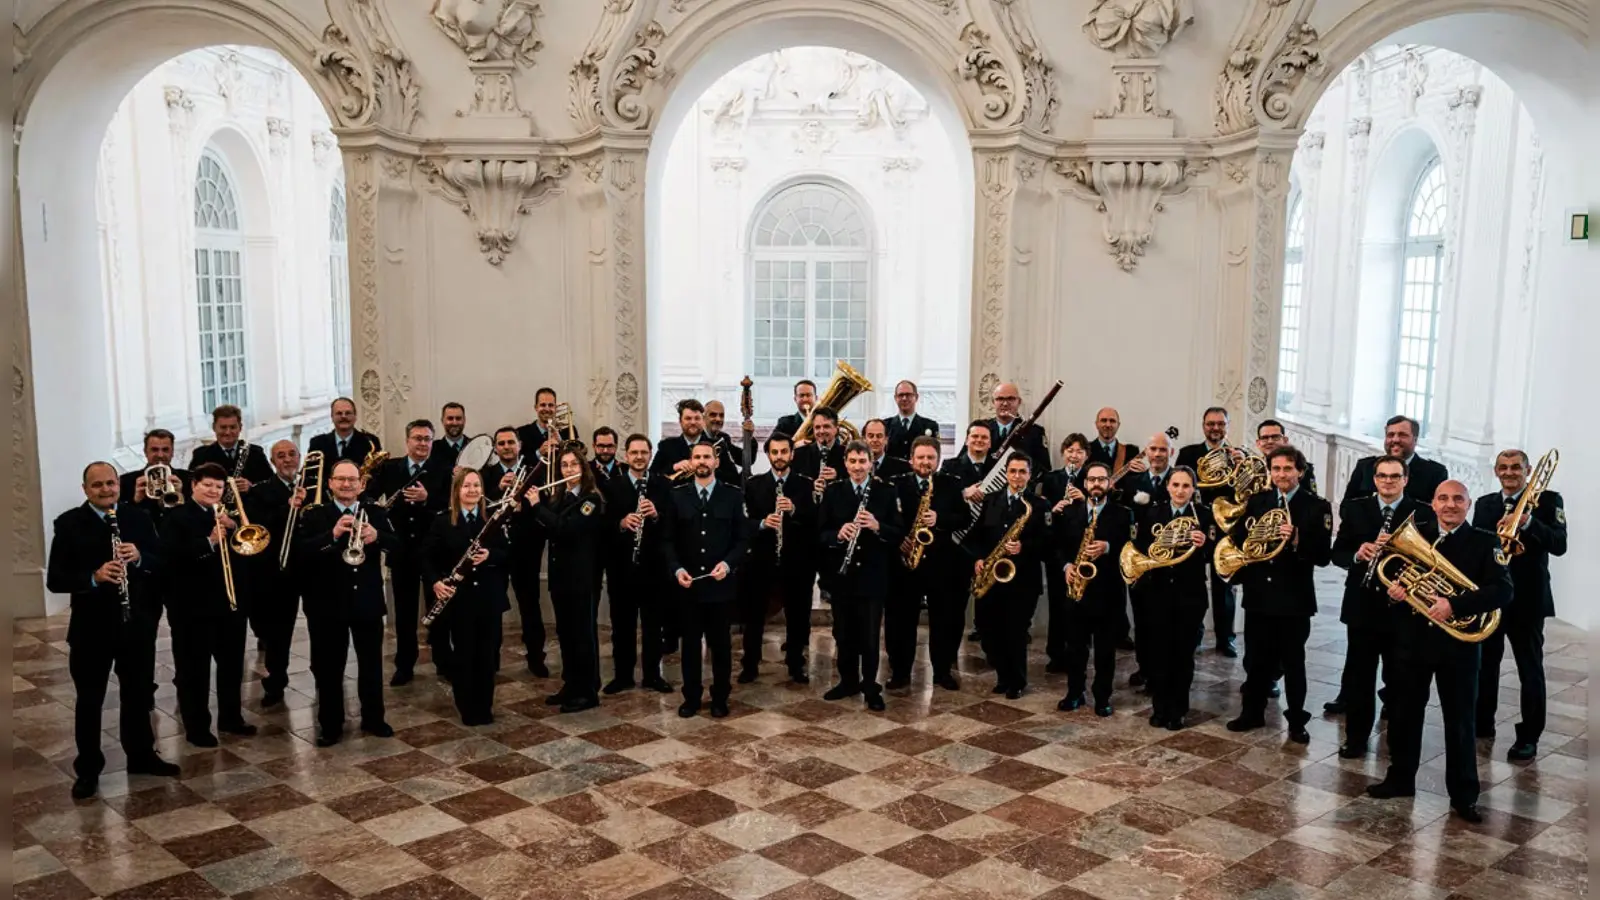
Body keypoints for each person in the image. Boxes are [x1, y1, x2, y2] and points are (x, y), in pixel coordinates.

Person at [1368, 481, 1512, 824]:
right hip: (1412, 643)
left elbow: (1503, 591)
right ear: (1433, 504)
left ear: (1468, 504)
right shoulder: (1417, 535)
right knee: (1403, 715)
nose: (1450, 505)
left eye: (1457, 499)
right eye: (1443, 499)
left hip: (1458, 648)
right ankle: (1400, 779)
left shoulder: (1485, 541)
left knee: (1460, 722)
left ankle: (1464, 795)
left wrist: (1455, 605)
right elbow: (1387, 577)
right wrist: (1396, 593)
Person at [47, 462, 178, 798]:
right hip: (91, 629)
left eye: (110, 483)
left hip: (135, 623)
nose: (105, 490)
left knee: (138, 694)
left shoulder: (137, 517)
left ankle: (141, 755)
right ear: (85, 489)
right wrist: (94, 577)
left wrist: (140, 557)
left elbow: (161, 562)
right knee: (90, 700)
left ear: (119, 485)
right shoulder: (69, 523)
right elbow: (56, 579)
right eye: (97, 485)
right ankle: (88, 769)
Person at [1327, 454, 1433, 757]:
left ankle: (1398, 744)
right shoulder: (1355, 508)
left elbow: (1431, 560)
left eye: (1395, 476)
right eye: (1382, 476)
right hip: (1362, 605)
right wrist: (1358, 554)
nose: (1388, 481)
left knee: (1400, 680)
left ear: (1405, 480)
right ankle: (1356, 739)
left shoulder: (1422, 512)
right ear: (1374, 480)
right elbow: (1338, 553)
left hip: (1403, 608)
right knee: (1359, 677)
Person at [1225, 446, 1332, 744]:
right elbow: (1239, 539)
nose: (1281, 474)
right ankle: (1252, 713)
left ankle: (1296, 721)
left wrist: (1297, 538)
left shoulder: (1316, 506)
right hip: (1259, 594)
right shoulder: (1258, 500)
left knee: (1294, 663)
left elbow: (1324, 556)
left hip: (1294, 600)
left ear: (1300, 471)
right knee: (1256, 660)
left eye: (1287, 469)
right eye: (1276, 469)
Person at [1473, 449, 1566, 761]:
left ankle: (1529, 736)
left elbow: (1559, 544)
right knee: (1486, 665)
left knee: (1530, 669)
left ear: (1527, 471)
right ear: (1496, 471)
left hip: (1528, 600)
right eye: (1503, 467)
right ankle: (1482, 723)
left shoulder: (1548, 501)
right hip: (1493, 598)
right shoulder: (1485, 504)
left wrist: (1527, 523)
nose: (1509, 473)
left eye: (1516, 467)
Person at [294, 460, 395, 745]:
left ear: (361, 485)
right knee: (329, 668)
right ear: (330, 483)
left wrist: (378, 537)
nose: (347, 484)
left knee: (371, 666)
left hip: (367, 602)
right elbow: (301, 552)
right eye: (340, 479)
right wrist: (333, 534)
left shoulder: (376, 512)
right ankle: (331, 725)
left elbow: (399, 546)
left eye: (352, 480)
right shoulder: (314, 515)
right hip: (327, 604)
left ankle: (374, 718)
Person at [161, 463, 258, 746]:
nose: (213, 490)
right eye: (207, 485)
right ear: (194, 485)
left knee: (232, 666)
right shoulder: (176, 516)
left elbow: (244, 556)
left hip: (229, 605)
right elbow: (171, 557)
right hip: (192, 608)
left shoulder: (228, 516)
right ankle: (197, 728)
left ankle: (231, 718)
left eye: (218, 486)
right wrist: (209, 541)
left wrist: (235, 527)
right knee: (194, 671)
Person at [661, 442, 749, 717]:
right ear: (691, 461)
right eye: (697, 457)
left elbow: (742, 540)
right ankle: (691, 697)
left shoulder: (732, 496)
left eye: (707, 457)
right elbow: (667, 540)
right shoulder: (677, 496)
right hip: (688, 587)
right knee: (689, 646)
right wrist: (676, 569)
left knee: (721, 646)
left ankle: (720, 697)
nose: (702, 461)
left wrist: (728, 564)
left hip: (720, 588)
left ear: (716, 462)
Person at [818, 441, 905, 711]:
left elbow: (898, 533)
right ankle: (847, 682)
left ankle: (870, 686)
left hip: (872, 577)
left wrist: (878, 526)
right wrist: (838, 534)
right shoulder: (833, 492)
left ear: (871, 463)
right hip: (842, 578)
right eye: (853, 461)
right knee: (843, 634)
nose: (858, 467)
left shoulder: (886, 492)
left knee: (869, 636)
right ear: (845, 463)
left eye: (862, 461)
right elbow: (820, 532)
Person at [363, 419, 451, 686]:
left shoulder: (444, 469)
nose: (422, 443)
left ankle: (444, 661)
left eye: (427, 439)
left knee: (439, 609)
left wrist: (428, 500)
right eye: (417, 438)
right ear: (407, 441)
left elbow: (451, 507)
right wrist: (382, 518)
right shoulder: (390, 468)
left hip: (434, 552)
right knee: (404, 612)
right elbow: (368, 498)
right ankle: (404, 664)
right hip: (402, 551)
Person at [424, 469, 511, 725]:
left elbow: (509, 554)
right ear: (457, 491)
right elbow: (426, 558)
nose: (472, 490)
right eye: (466, 486)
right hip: (459, 600)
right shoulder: (442, 522)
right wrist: (436, 582)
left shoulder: (492, 520)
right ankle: (467, 707)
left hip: (488, 598)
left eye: (476, 485)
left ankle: (484, 706)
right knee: (464, 655)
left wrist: (490, 556)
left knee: (487, 656)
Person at [1129, 465, 1213, 729]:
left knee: (1183, 656)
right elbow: (1141, 548)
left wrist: (1204, 544)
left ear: (1193, 488)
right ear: (1167, 487)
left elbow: (1215, 552)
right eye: (1175, 485)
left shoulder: (1204, 515)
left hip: (1190, 595)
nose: (1180, 490)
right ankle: (1160, 707)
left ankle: (1178, 710)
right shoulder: (1153, 512)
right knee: (1159, 654)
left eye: (1186, 486)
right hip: (1158, 594)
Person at [526, 445, 606, 713]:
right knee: (566, 634)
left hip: (580, 580)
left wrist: (536, 506)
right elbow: (548, 528)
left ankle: (588, 692)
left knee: (582, 636)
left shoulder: (590, 500)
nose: (569, 470)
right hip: (560, 579)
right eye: (564, 465)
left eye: (574, 465)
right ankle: (571, 684)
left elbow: (566, 529)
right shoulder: (558, 497)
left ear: (583, 469)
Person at [889, 436, 970, 690]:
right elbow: (886, 517)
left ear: (938, 460)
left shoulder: (951, 483)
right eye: (921, 457)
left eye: (931, 457)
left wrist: (940, 518)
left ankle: (942, 672)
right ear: (911, 459)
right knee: (901, 621)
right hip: (905, 563)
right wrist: (899, 540)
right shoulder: (895, 484)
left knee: (943, 621)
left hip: (941, 564)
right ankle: (900, 672)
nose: (925, 462)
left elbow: (965, 517)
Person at [1054, 461, 1132, 717]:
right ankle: (1074, 693)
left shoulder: (1123, 513)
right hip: (1077, 590)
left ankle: (1102, 697)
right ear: (1085, 483)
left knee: (1105, 651)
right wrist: (1066, 566)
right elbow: (1057, 546)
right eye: (1092, 479)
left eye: (1102, 479)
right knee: (1074, 648)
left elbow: (1132, 549)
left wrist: (1108, 547)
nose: (1096, 484)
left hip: (1108, 593)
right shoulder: (1069, 512)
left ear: (1110, 483)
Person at [966, 454, 1045, 699]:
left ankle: (1016, 681)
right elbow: (976, 536)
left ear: (1029, 475)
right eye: (1013, 471)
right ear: (1006, 473)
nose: (1017, 476)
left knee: (1016, 633)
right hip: (993, 578)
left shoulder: (1039, 505)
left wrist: (1024, 546)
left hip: (1023, 582)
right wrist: (978, 558)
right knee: (991, 631)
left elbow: (1049, 542)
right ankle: (1002, 676)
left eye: (1022, 472)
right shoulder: (992, 500)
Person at [740, 432, 817, 684]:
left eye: (784, 452)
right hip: (761, 562)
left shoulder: (805, 485)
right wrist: (763, 523)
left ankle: (795, 664)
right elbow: (744, 523)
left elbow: (814, 522)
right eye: (774, 452)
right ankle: (750, 664)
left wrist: (794, 510)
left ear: (792, 454)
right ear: (768, 455)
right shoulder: (754, 485)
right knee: (754, 616)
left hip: (796, 562)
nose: (779, 457)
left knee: (798, 616)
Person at [601, 434, 674, 693]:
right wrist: (621, 523)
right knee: (622, 625)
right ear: (626, 455)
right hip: (622, 568)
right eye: (634, 452)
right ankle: (623, 676)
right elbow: (601, 525)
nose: (639, 457)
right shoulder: (611, 486)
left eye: (644, 452)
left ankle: (653, 675)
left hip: (654, 569)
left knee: (654, 625)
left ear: (650, 454)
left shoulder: (663, 485)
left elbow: (673, 525)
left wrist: (656, 515)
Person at [243, 440, 306, 708]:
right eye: (281, 456)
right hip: (279, 570)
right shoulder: (260, 491)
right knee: (279, 631)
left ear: (300, 457)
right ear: (272, 462)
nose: (288, 460)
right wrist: (288, 507)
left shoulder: (314, 487)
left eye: (292, 454)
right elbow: (260, 528)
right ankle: (276, 681)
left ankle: (325, 676)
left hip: (312, 567)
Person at [1176, 406, 1240, 657]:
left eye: (1220, 424)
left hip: (1226, 527)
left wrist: (1240, 465)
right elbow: (1180, 486)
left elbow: (1245, 492)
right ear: (1203, 426)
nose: (1215, 428)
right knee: (1192, 582)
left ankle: (1226, 638)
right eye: (1211, 423)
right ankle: (1195, 634)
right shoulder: (1188, 453)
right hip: (1196, 523)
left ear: (1227, 426)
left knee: (1224, 583)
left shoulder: (1238, 455)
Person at [1123, 430, 1176, 688]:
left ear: (1171, 453)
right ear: (1146, 452)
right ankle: (1144, 667)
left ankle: (1162, 671)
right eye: (1153, 449)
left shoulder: (1179, 481)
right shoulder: (1133, 482)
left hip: (1169, 565)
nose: (1157, 454)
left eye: (1162, 449)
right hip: (1141, 563)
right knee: (1142, 620)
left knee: (1165, 622)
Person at [1037, 434, 1089, 673]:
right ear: (1063, 453)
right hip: (1057, 548)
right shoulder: (1051, 478)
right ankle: (1056, 653)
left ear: (1086, 456)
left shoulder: (1092, 477)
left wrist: (1084, 499)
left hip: (1082, 548)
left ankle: (1077, 651)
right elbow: (1041, 510)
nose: (1074, 455)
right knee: (1057, 603)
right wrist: (1054, 508)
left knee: (1079, 604)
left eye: (1079, 451)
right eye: (1070, 450)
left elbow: (1101, 508)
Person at [1342, 416, 1448, 504]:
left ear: (1415, 440)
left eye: (1402, 435)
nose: (1395, 439)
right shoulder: (1365, 467)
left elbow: (1437, 514)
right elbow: (1346, 507)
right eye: (1390, 435)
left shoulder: (1435, 473)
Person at [187, 403, 273, 488]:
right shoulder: (201, 455)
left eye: (232, 427)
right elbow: (191, 486)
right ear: (214, 427)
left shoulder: (256, 453)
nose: (228, 432)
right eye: (223, 427)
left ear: (240, 427)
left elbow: (270, 484)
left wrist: (252, 486)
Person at [121, 428, 190, 521]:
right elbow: (120, 519)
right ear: (145, 452)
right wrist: (135, 501)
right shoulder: (126, 481)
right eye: (154, 450)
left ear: (172, 452)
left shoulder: (189, 479)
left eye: (165, 450)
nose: (160, 455)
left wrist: (180, 496)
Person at [983, 382, 1049, 476]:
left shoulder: (1035, 432)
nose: (1005, 403)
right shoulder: (981, 429)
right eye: (1000, 399)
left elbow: (1044, 469)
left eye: (1010, 398)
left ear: (1019, 402)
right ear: (993, 402)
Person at [651, 399, 712, 480]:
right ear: (680, 421)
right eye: (688, 418)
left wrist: (709, 467)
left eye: (697, 418)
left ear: (703, 421)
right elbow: (652, 476)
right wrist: (674, 467)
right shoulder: (666, 446)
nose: (693, 422)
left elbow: (728, 477)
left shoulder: (716, 445)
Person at [1255, 419, 1318, 496]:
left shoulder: (1301, 467)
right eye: (1264, 438)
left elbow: (1310, 498)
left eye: (1275, 437)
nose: (1270, 441)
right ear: (1258, 443)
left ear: (1285, 440)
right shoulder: (1251, 467)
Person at [884, 380, 940, 461]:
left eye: (908, 395)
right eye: (900, 395)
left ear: (916, 397)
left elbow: (934, 455)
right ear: (895, 398)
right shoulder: (885, 425)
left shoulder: (930, 426)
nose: (904, 398)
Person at [702, 401, 745, 484]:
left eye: (721, 415)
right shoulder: (696, 439)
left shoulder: (724, 437)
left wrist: (749, 436)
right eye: (713, 415)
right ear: (703, 418)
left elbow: (743, 459)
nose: (718, 419)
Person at [432, 402, 470, 468]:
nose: (454, 423)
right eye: (450, 418)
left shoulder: (475, 446)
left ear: (464, 420)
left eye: (458, 418)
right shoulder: (432, 449)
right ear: (442, 421)